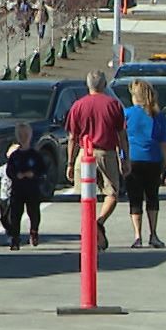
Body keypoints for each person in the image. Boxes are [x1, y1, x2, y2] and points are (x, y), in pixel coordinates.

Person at [64, 69, 126, 249]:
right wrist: (125, 158)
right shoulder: (113, 105)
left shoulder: (78, 106)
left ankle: (91, 227)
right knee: (112, 193)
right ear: (105, 85)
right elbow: (122, 135)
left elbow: (72, 138)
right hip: (106, 152)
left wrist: (70, 162)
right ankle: (98, 222)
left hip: (84, 153)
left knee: (85, 197)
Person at [121, 78, 166, 249]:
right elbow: (165, 143)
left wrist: (122, 157)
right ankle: (153, 234)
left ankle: (137, 236)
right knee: (152, 198)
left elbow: (121, 138)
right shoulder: (158, 116)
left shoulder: (127, 114)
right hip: (153, 161)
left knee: (135, 199)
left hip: (133, 160)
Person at [0, 122, 50, 249]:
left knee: (33, 212)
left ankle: (34, 231)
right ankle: (15, 238)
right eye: (20, 135)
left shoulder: (35, 154)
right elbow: (9, 170)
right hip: (17, 189)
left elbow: (42, 169)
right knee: (15, 214)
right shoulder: (15, 155)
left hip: (32, 188)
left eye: (25, 134)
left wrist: (33, 174)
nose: (23, 137)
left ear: (30, 135)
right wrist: (17, 175)